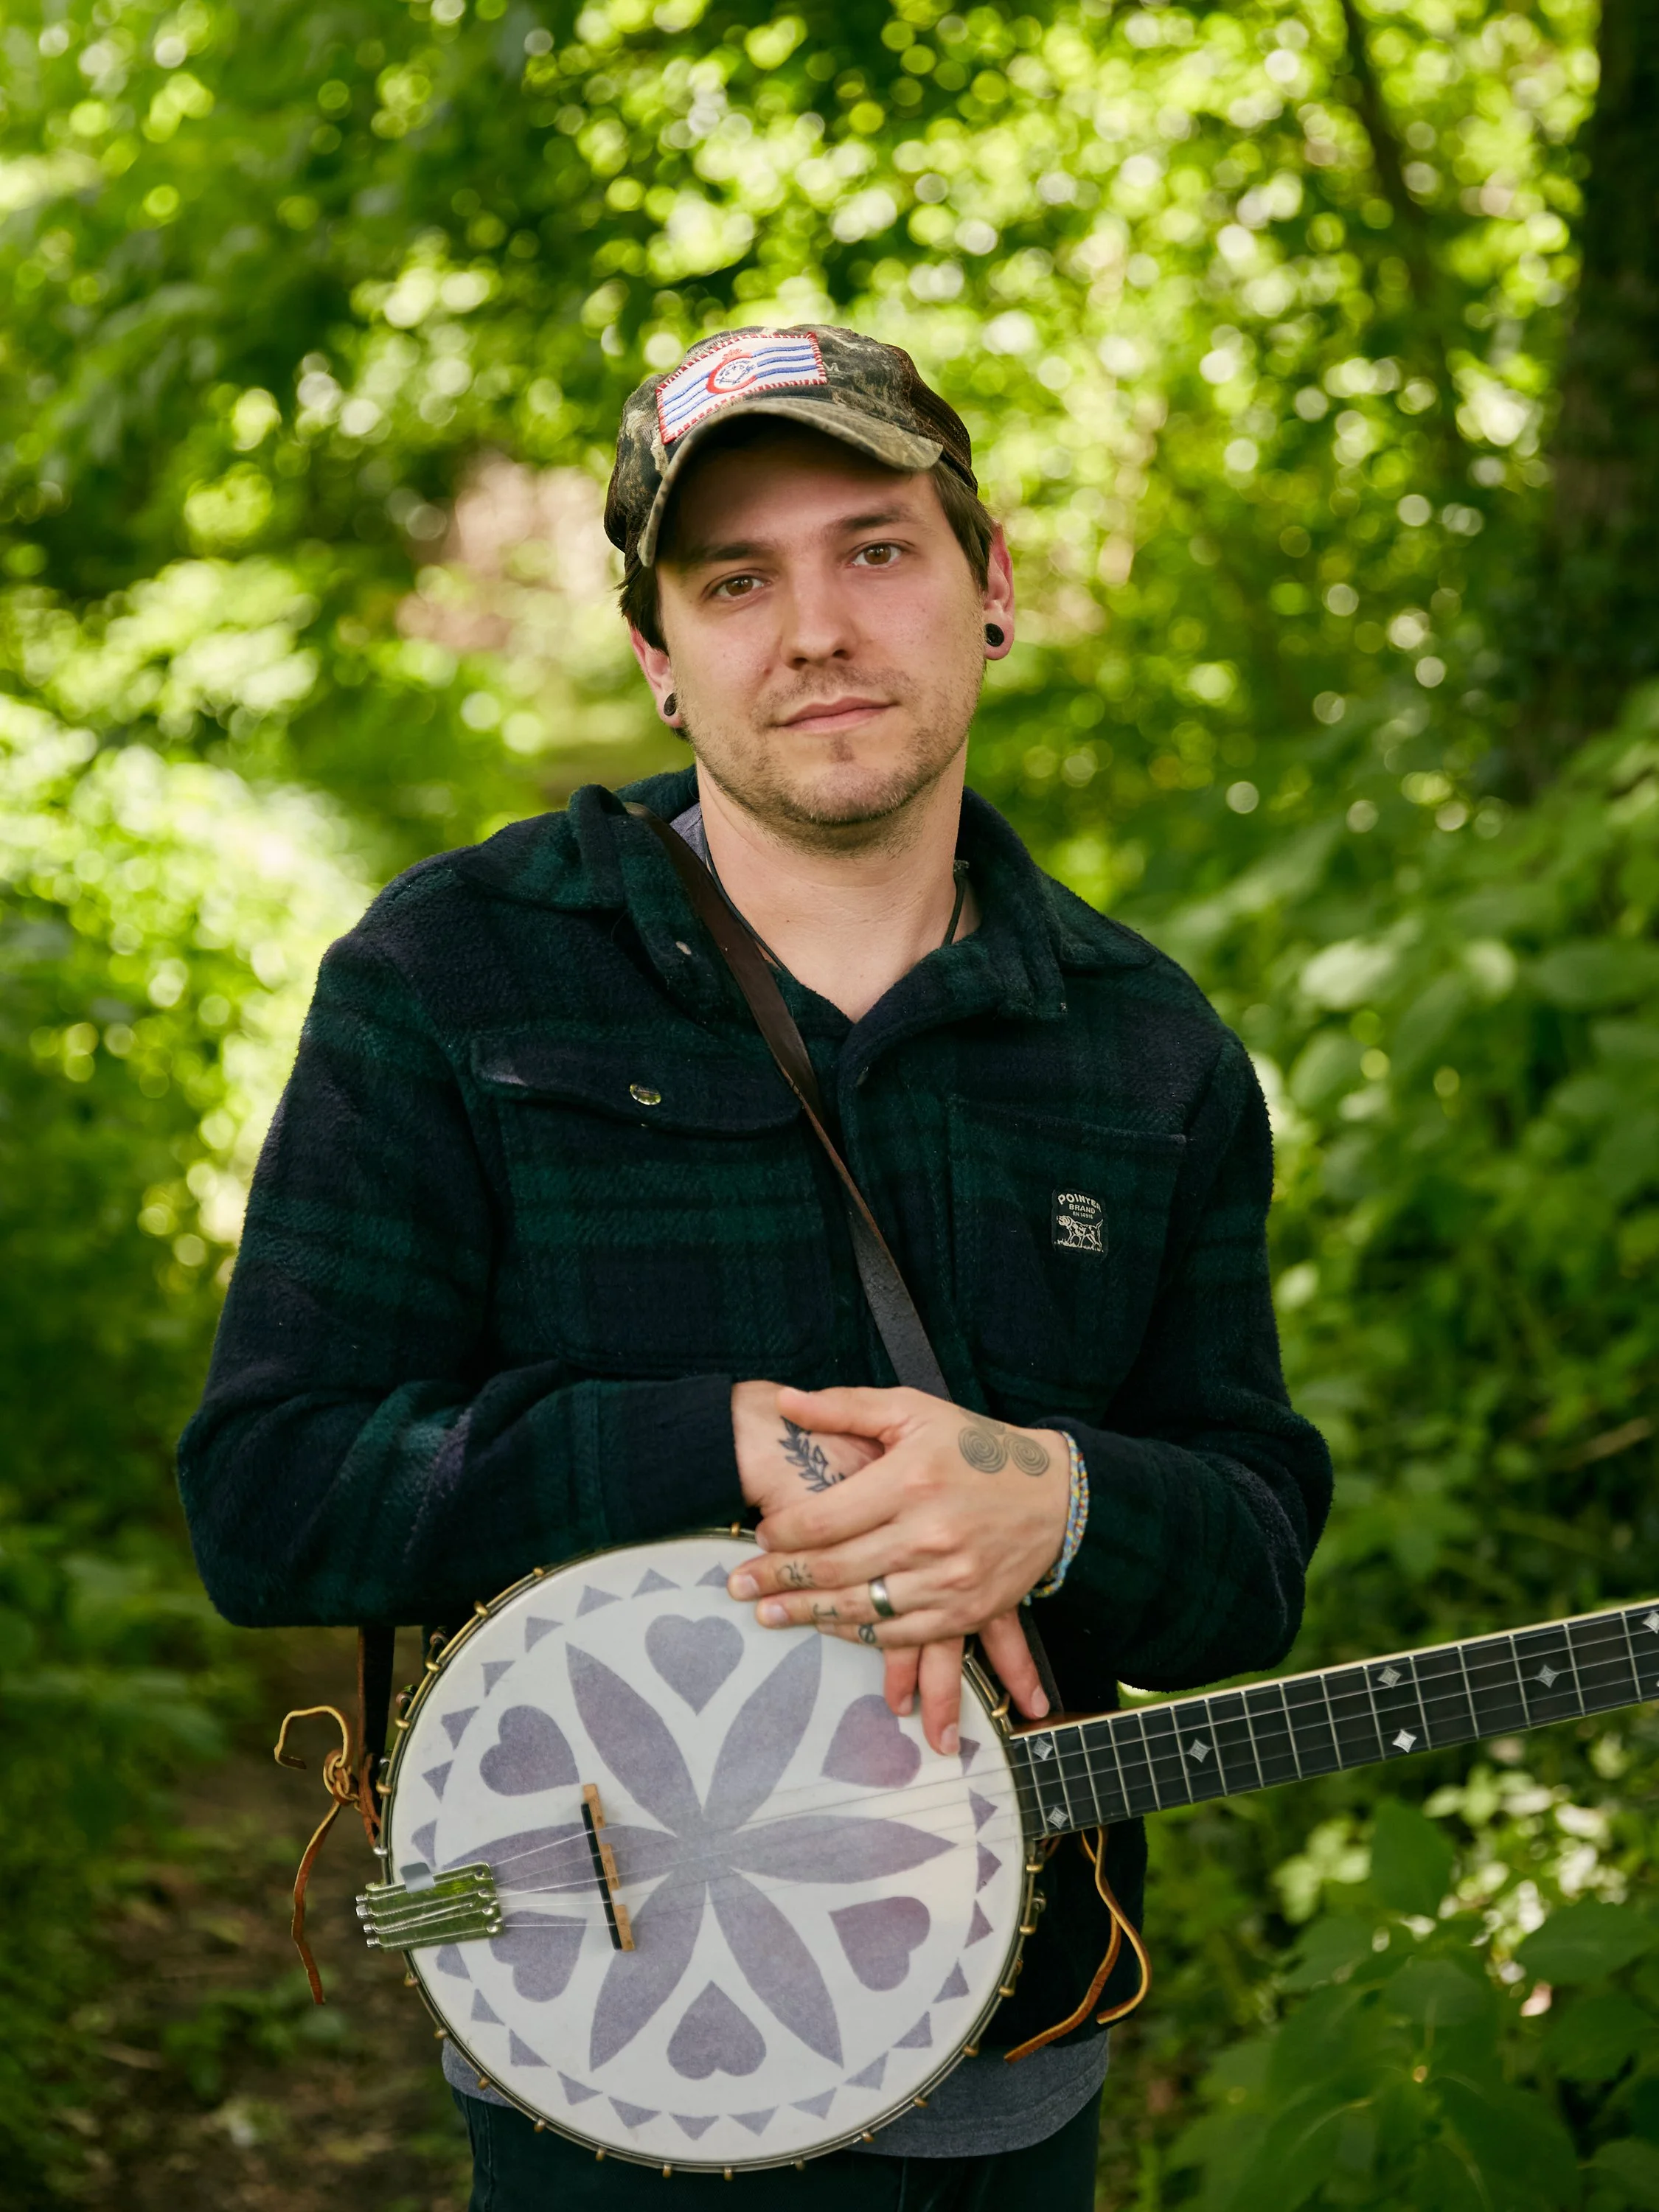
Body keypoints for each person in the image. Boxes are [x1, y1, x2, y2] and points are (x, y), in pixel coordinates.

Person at [178, 324, 1331, 2210]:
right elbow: (269, 1495)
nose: (814, 628)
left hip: (1015, 2065)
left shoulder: (1150, 1053)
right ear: (657, 654)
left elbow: (1256, 1541)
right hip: (605, 2057)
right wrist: (700, 1441)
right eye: (735, 579)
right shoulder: (450, 981)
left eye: (876, 548)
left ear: (992, 584)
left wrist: (1061, 1503)